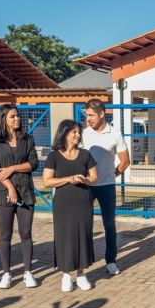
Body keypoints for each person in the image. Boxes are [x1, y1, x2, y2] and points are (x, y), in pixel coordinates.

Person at [0, 104, 38, 289]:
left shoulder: (27, 139)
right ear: (3, 119)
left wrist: (13, 168)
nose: (17, 119)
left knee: (25, 233)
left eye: (18, 116)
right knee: (5, 235)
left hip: (26, 191)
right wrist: (10, 188)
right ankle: (6, 273)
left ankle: (27, 273)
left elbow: (33, 163)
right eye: (12, 116)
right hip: (4, 193)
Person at [42, 120, 98, 292]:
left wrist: (83, 179)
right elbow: (46, 182)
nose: (77, 135)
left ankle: (81, 274)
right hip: (63, 204)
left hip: (83, 202)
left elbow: (95, 178)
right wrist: (68, 179)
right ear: (64, 133)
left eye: (79, 132)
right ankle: (66, 274)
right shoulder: (54, 156)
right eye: (73, 132)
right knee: (65, 237)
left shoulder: (85, 154)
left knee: (83, 236)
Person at [82, 99, 129, 275]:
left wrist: (112, 175)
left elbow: (125, 161)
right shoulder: (84, 134)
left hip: (107, 186)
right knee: (84, 224)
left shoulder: (115, 134)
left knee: (109, 225)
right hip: (86, 185)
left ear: (102, 114)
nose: (88, 119)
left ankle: (111, 261)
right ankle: (84, 259)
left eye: (91, 115)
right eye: (87, 115)